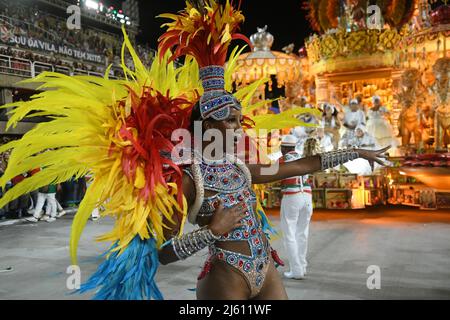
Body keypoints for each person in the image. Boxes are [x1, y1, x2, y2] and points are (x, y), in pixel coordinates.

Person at [0, 0, 390, 300]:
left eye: (238, 118)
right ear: (206, 125)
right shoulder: (188, 179)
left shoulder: (238, 165)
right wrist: (212, 232)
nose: (239, 125)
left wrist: (354, 151)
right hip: (225, 275)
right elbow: (164, 252)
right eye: (230, 118)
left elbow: (295, 167)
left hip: (265, 268)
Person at [279, 135, 314, 279]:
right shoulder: (303, 158)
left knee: (289, 234)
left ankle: (296, 270)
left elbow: (273, 175)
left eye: (281, 147)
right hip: (307, 196)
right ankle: (302, 266)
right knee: (302, 233)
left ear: (285, 148)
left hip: (292, 196)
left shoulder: (282, 160)